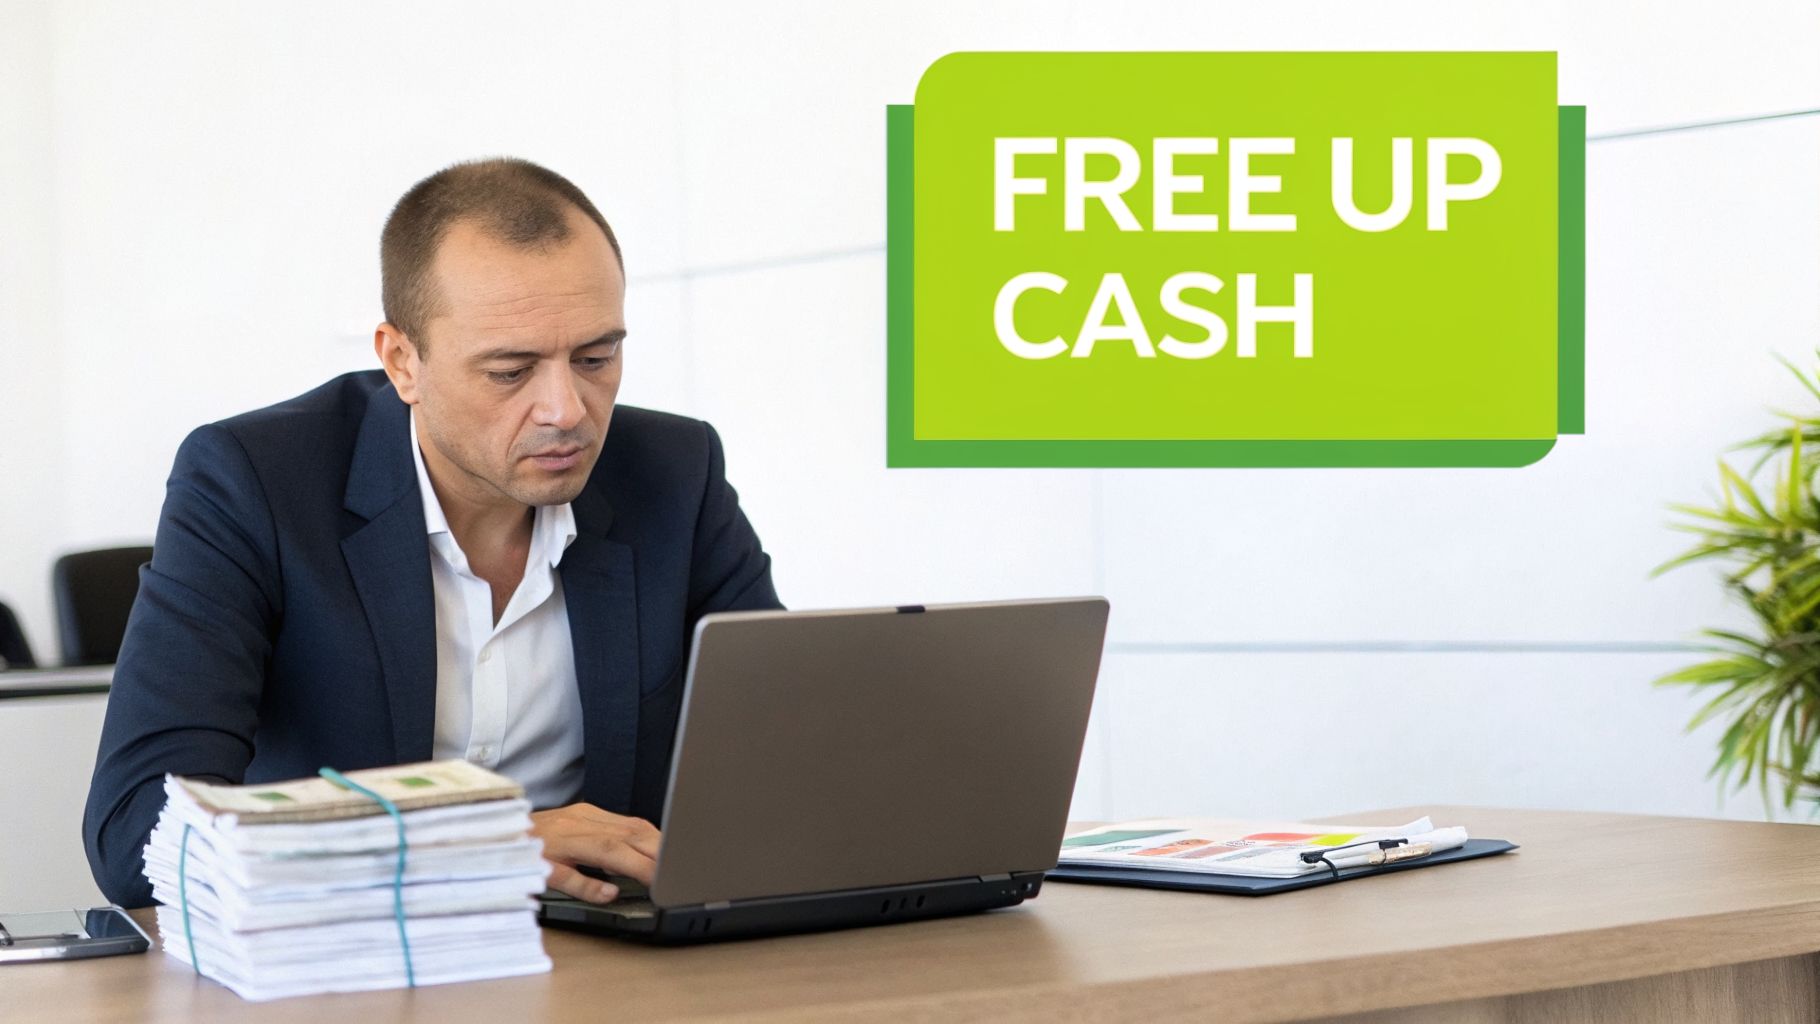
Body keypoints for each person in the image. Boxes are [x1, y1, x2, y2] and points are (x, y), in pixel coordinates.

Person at [82, 158, 780, 908]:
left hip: (610, 958)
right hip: (347, 965)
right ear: (402, 361)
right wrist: (487, 843)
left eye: (596, 357)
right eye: (511, 371)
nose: (567, 409)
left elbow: (785, 751)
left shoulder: (675, 473)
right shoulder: (253, 483)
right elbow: (138, 835)